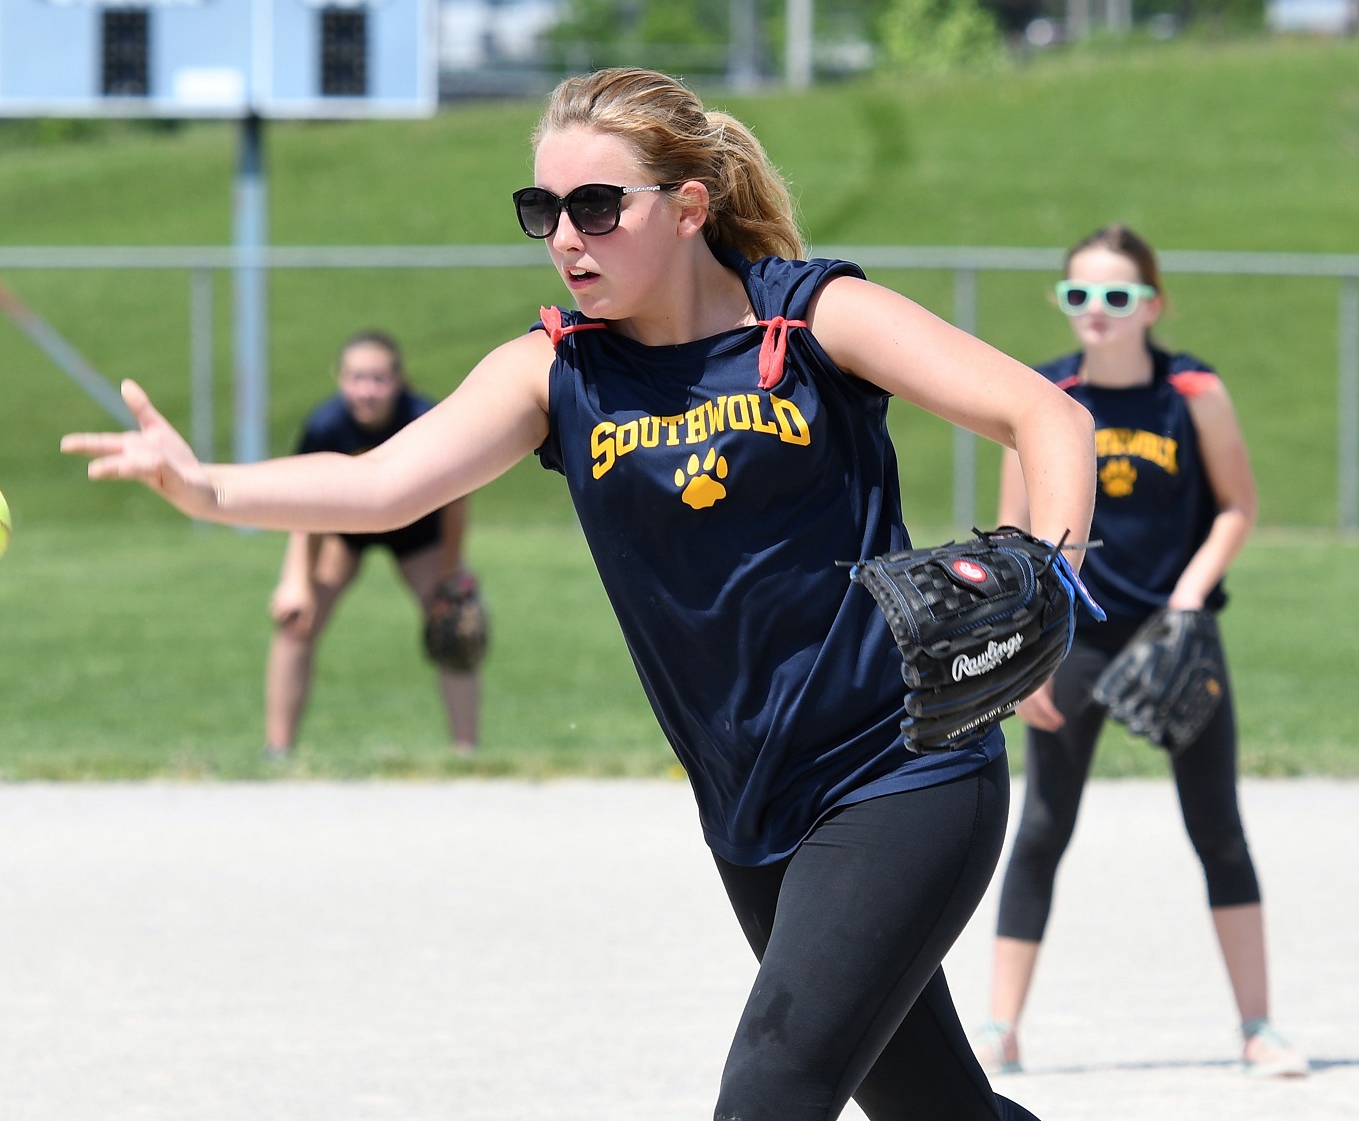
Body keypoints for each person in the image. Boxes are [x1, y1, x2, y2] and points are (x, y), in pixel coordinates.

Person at [63, 67, 1098, 1121]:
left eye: (597, 206)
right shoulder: (559, 372)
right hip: (750, 800)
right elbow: (379, 486)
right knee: (937, 1109)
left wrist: (1048, 571)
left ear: (688, 207)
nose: (567, 235)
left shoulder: (810, 317)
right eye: (543, 210)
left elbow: (1044, 414)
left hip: (900, 772)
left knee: (768, 1095)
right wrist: (206, 487)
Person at [973, 224, 1309, 1080]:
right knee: (1044, 822)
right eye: (1078, 294)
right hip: (1075, 637)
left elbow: (1235, 505)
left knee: (1217, 826)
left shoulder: (1190, 390)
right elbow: (1018, 537)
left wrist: (1191, 594)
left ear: (1150, 306)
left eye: (1116, 296)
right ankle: (1001, 1028)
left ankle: (1257, 1025)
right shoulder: (1045, 394)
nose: (1096, 311)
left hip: (1173, 634)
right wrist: (1020, 656)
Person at [263, 330, 480, 758]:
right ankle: (277, 752)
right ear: (340, 379)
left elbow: (456, 500)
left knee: (456, 625)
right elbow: (303, 503)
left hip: (418, 528)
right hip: (346, 528)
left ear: (399, 380)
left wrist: (449, 574)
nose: (368, 390)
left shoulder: (425, 418)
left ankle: (465, 753)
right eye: (358, 377)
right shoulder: (325, 425)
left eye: (379, 378)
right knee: (295, 622)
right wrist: (296, 580)